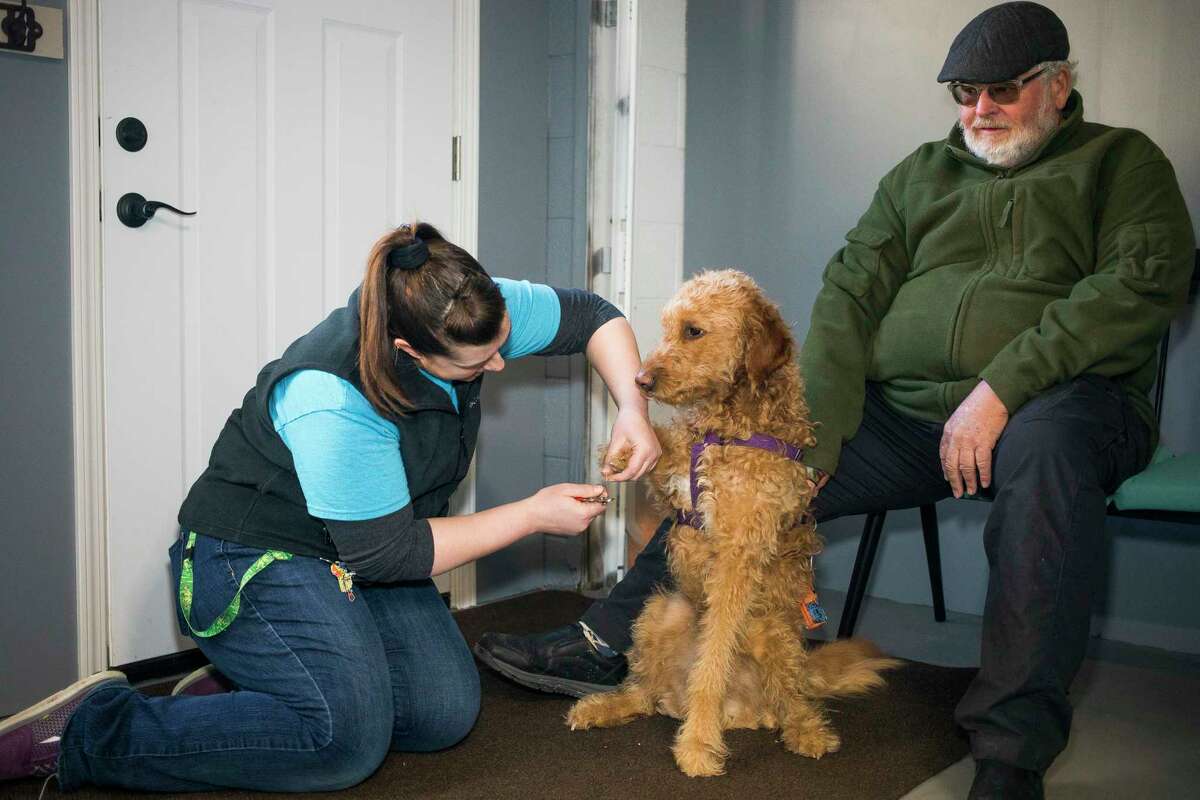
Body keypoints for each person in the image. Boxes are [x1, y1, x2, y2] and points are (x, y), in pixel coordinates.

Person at [473, 3, 1195, 798]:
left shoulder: (1121, 162)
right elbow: (851, 294)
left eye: (1002, 92)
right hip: (913, 413)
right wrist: (808, 445)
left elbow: (1138, 282)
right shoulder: (924, 173)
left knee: (1050, 456)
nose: (979, 111)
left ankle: (1011, 750)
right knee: (737, 465)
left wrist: (1003, 388)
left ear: (1058, 85)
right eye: (964, 93)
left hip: (1064, 403)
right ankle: (606, 639)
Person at [0, 222, 660, 792]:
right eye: (475, 364)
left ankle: (259, 692)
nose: (497, 367)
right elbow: (390, 552)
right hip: (252, 552)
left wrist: (633, 410)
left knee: (441, 713)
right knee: (343, 740)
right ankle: (87, 729)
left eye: (501, 344)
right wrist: (530, 516)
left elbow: (593, 315)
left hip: (352, 554)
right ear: (408, 351)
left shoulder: (465, 308)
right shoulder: (333, 394)